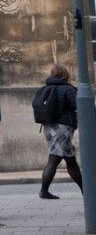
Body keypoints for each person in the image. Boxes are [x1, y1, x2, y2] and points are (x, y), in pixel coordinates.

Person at [38, 63, 84, 199]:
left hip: (48, 127)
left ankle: (86, 191)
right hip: (62, 128)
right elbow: (79, 105)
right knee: (54, 159)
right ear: (65, 74)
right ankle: (43, 191)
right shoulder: (67, 89)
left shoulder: (46, 88)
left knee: (71, 161)